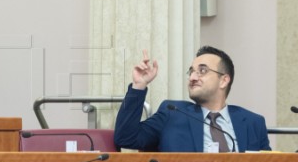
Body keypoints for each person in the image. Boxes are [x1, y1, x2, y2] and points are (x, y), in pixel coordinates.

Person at [113, 46, 270, 152]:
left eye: (202, 70)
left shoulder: (253, 123)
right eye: (191, 71)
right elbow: (125, 138)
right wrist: (138, 85)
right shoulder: (172, 114)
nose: (193, 77)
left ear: (224, 80)